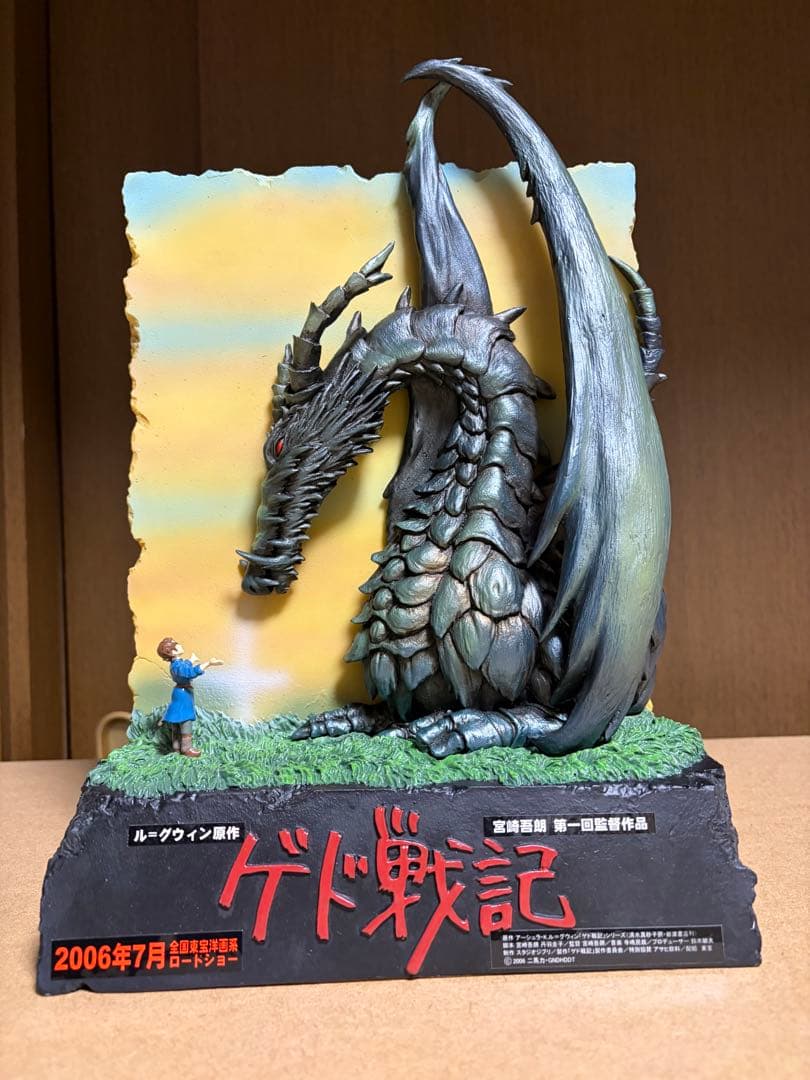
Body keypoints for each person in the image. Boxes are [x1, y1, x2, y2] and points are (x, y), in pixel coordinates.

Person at [156, 637, 223, 757]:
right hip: (183, 695)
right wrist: (208, 663)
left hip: (181, 692)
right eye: (177, 644)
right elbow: (190, 672)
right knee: (185, 720)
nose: (180, 645)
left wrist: (192, 659)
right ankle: (186, 748)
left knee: (177, 720)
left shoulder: (177, 664)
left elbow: (185, 666)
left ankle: (176, 747)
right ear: (172, 652)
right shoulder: (177, 666)